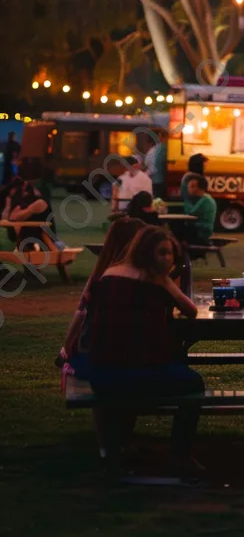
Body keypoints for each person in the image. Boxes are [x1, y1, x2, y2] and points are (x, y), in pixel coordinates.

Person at [84, 226, 203, 475]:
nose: (168, 259)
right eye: (162, 253)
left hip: (100, 373)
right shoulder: (152, 281)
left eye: (171, 254)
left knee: (153, 372)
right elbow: (191, 312)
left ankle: (118, 448)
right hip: (127, 373)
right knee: (193, 382)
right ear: (146, 253)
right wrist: (165, 280)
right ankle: (180, 455)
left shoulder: (109, 273)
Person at [60, 217, 146, 377]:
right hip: (120, 359)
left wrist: (66, 349)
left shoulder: (100, 274)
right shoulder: (142, 275)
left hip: (91, 355)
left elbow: (81, 313)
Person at [183, 175, 217, 245]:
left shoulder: (205, 200)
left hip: (202, 231)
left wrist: (186, 201)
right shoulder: (206, 198)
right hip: (203, 229)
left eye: (191, 187)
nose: (188, 189)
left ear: (197, 188)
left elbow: (191, 214)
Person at [145, 129, 168, 200]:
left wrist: (143, 176)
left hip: (155, 182)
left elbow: (151, 169)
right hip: (165, 181)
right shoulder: (168, 149)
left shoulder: (153, 151)